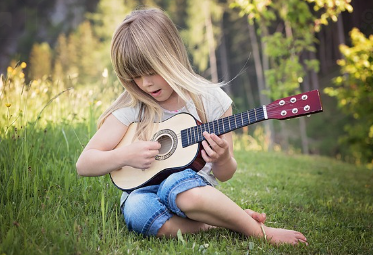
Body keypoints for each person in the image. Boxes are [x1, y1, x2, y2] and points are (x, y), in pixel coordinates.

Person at [76, 8, 308, 245]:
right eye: (135, 76)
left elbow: (225, 174)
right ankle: (217, 222)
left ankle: (259, 231)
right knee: (136, 211)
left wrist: (222, 158)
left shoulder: (210, 100)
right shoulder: (133, 107)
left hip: (191, 190)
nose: (145, 83)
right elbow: (84, 164)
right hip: (142, 191)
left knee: (178, 186)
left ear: (171, 56)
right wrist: (124, 155)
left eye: (151, 71)